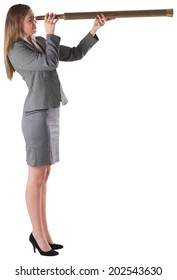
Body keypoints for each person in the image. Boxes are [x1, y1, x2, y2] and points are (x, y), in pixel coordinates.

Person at [4, 4, 108, 256]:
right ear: (18, 23)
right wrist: (51, 33)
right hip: (35, 115)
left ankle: (43, 233)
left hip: (50, 111)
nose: (36, 22)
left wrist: (93, 29)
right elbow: (50, 63)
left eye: (34, 19)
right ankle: (37, 235)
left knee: (45, 175)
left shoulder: (38, 41)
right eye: (31, 20)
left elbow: (73, 54)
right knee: (36, 177)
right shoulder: (15, 49)